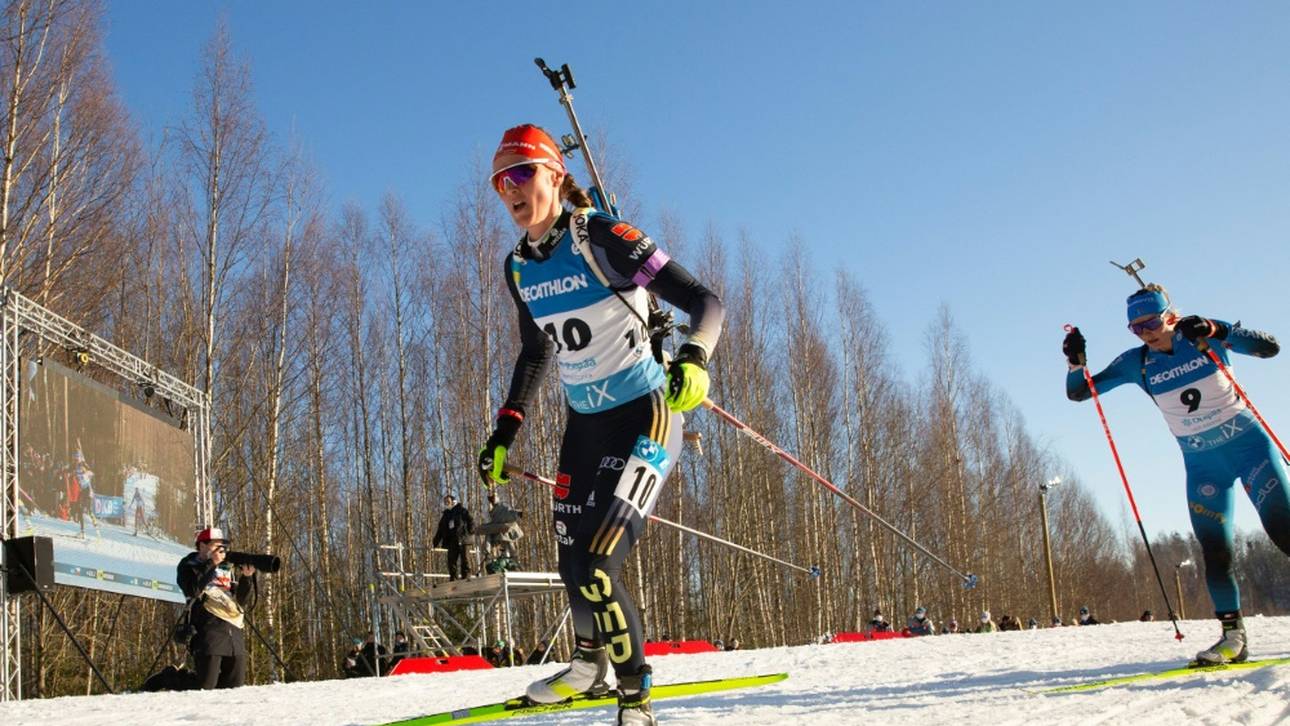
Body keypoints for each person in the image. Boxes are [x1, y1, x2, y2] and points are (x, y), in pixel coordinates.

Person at [476, 124, 724, 726]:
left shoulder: (603, 237)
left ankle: (635, 697)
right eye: (498, 180)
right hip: (583, 424)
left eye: (521, 173)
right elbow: (535, 350)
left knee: (597, 564)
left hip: (646, 415)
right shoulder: (517, 267)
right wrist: (506, 428)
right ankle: (588, 666)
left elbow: (705, 301)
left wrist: (694, 358)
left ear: (556, 176)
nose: (509, 189)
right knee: (569, 561)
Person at [1064, 284, 1288, 664]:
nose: (1145, 332)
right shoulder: (1137, 362)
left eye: (1150, 322)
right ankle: (1233, 637)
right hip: (1203, 466)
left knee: (1285, 532)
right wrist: (1075, 362)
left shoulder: (1199, 337)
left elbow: (1269, 347)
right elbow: (1080, 393)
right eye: (1135, 327)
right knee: (1216, 552)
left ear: (1169, 315)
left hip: (1251, 451)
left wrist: (1219, 329)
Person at [176, 526, 256, 689]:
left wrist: (247, 578)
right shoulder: (188, 565)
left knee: (234, 687)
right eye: (216, 545)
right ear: (203, 546)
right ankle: (170, 677)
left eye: (223, 545)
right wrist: (211, 563)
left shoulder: (227, 568)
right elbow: (192, 590)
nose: (222, 549)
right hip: (208, 630)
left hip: (233, 630)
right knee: (205, 686)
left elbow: (241, 600)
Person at [477, 489, 524, 572]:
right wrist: (487, 551)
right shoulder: (494, 513)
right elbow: (489, 532)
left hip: (505, 533)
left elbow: (511, 513)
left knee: (509, 546)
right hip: (500, 534)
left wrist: (517, 514)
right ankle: (510, 561)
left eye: (493, 498)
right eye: (491, 499)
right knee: (493, 534)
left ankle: (513, 561)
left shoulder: (503, 508)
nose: (493, 500)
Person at [432, 493, 474, 581]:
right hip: (452, 541)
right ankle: (453, 579)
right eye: (445, 502)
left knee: (465, 560)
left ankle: (466, 577)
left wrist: (470, 531)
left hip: (463, 539)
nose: (446, 503)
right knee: (451, 561)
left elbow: (470, 520)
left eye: (448, 501)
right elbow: (440, 529)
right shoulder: (446, 515)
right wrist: (435, 542)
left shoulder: (461, 510)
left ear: (453, 501)